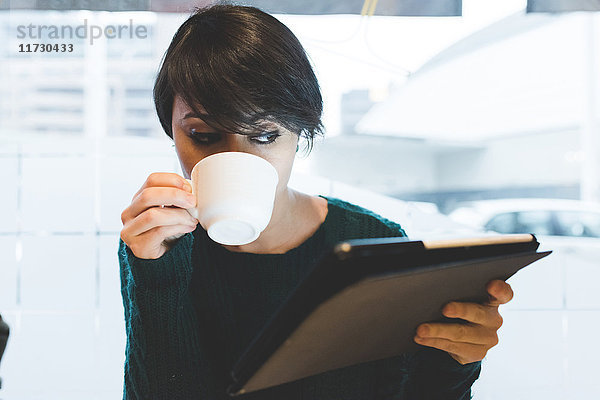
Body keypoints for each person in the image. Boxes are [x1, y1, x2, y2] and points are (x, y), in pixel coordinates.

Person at [118, 4, 513, 399]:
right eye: (203, 135)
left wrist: (454, 358)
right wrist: (158, 277)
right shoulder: (158, 241)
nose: (238, 158)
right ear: (171, 129)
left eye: (265, 135)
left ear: (300, 130)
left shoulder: (374, 242)